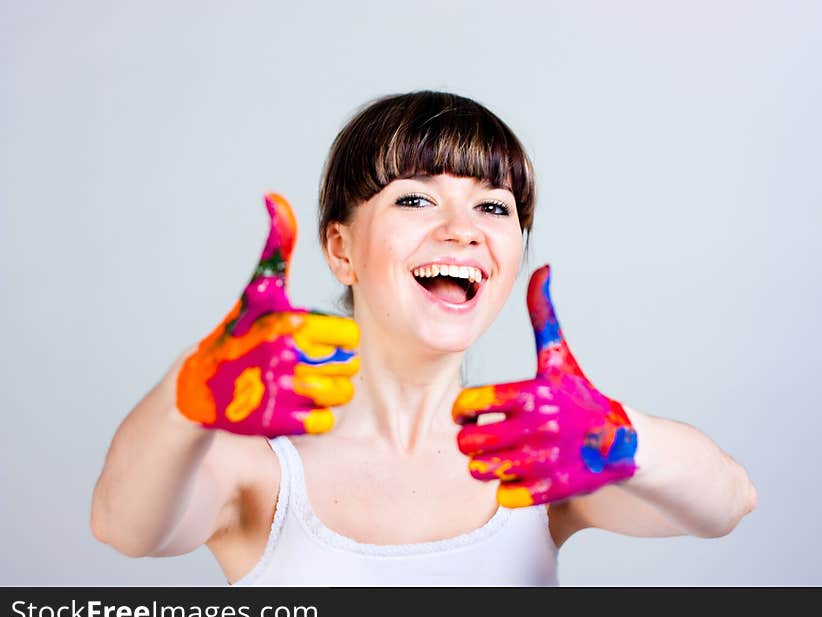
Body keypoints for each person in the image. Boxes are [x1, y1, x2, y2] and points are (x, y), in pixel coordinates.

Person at [90, 90, 757, 586]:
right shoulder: (262, 470)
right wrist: (184, 394)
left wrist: (625, 436)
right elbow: (122, 525)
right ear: (341, 249)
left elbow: (727, 503)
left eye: (494, 206)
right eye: (416, 198)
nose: (463, 228)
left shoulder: (537, 462)